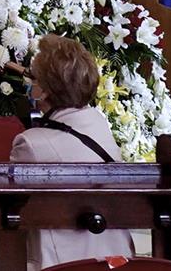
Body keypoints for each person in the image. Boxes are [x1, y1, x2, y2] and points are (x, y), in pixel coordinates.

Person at [12, 36, 133, 270]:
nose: (28, 83)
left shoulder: (31, 145)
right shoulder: (98, 122)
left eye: (32, 78)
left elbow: (11, 209)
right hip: (114, 254)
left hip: (60, 260)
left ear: (44, 91)